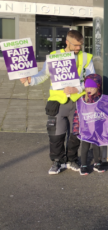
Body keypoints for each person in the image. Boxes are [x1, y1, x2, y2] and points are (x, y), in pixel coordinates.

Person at [20, 30, 94, 175]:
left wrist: (77, 88)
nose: (78, 48)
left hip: (78, 102)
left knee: (75, 135)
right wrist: (30, 80)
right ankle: (58, 161)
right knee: (56, 135)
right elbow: (43, 75)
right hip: (57, 103)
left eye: (81, 45)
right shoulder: (54, 57)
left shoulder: (86, 58)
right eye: (75, 45)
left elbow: (92, 80)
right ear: (67, 42)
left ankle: (72, 160)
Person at [72, 74, 108, 175]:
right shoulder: (82, 100)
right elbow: (77, 115)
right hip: (85, 128)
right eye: (87, 87)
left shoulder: (103, 100)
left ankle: (97, 163)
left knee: (97, 145)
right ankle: (83, 165)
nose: (89, 89)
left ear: (98, 87)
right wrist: (75, 128)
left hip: (97, 128)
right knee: (85, 146)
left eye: (92, 87)